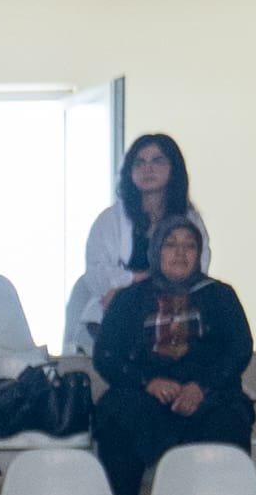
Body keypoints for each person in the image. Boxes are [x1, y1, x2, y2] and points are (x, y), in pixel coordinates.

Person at [84, 210, 256, 495]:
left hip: (205, 392)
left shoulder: (219, 296)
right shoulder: (129, 299)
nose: (180, 252)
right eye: (170, 244)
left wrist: (200, 386)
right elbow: (107, 355)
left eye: (189, 245)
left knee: (228, 417)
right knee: (116, 413)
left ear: (199, 253)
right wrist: (147, 381)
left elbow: (238, 349)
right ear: (155, 251)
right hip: (145, 392)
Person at [69, 128, 198, 346]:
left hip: (174, 315)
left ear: (173, 169)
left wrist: (134, 280)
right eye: (139, 163)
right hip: (113, 319)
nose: (147, 168)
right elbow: (98, 276)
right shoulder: (109, 220)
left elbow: (192, 273)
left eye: (157, 161)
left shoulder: (191, 220)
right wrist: (150, 279)